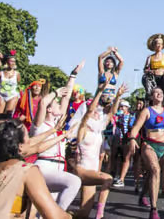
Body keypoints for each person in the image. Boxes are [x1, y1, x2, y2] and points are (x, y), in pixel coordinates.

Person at [31, 61, 85, 212]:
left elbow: (66, 98)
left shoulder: (57, 126)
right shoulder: (40, 125)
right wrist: (55, 93)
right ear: (49, 109)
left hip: (58, 168)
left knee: (43, 212)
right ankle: (60, 215)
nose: (60, 106)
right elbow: (42, 102)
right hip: (45, 166)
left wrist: (73, 76)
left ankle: (55, 213)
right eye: (56, 104)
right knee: (74, 182)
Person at [72, 82, 127, 219]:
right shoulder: (83, 129)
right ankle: (100, 214)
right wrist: (99, 92)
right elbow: (89, 111)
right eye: (95, 112)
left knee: (84, 213)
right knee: (108, 179)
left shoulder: (98, 130)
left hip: (93, 171)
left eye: (99, 112)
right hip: (83, 170)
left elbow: (111, 113)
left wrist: (118, 96)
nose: (97, 114)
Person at [126, 87, 164, 219]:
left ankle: (143, 195)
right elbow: (136, 128)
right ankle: (154, 209)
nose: (159, 94)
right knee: (155, 170)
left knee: (151, 174)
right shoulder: (146, 111)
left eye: (161, 92)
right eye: (156, 92)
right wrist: (132, 139)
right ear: (151, 97)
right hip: (149, 145)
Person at [114, 98, 145, 188]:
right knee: (126, 157)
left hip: (140, 138)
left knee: (137, 160)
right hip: (130, 137)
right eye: (137, 103)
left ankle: (137, 181)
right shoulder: (133, 114)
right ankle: (122, 179)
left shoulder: (145, 114)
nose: (138, 105)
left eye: (140, 104)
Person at [144, 34, 164, 109]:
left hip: (163, 78)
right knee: (150, 93)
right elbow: (145, 69)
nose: (159, 45)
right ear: (154, 45)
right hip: (153, 79)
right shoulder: (150, 57)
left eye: (160, 44)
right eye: (157, 43)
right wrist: (150, 71)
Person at [0, 50, 21, 117]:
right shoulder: (1, 73)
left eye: (14, 61)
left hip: (12, 95)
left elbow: (18, 85)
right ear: (7, 62)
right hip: (1, 95)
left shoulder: (17, 74)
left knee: (8, 115)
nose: (13, 63)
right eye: (11, 61)